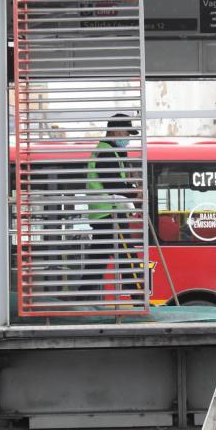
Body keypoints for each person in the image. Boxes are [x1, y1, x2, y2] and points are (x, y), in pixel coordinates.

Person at [81, 114, 141, 297]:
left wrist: (131, 188)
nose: (128, 140)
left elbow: (116, 182)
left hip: (104, 214)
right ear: (116, 131)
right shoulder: (106, 152)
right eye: (127, 134)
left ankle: (81, 297)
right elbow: (112, 184)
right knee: (128, 257)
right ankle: (140, 299)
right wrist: (134, 192)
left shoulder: (110, 151)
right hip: (111, 214)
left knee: (96, 262)